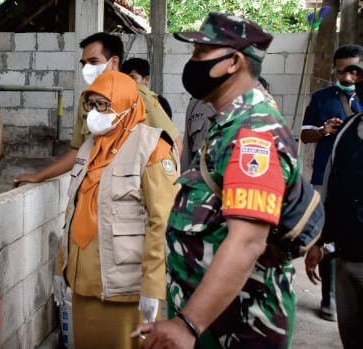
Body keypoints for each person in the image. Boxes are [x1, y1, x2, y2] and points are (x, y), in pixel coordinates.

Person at [132, 12, 314, 348]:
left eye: (200, 54)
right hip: (214, 320)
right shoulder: (229, 122)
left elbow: (247, 242)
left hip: (241, 328)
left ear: (234, 62)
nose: (192, 62)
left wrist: (188, 324)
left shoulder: (252, 132)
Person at [53, 71, 179, 348]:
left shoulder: (153, 147)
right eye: (91, 105)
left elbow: (162, 222)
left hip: (127, 287)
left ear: (127, 104)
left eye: (103, 105)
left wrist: (154, 286)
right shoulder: (89, 147)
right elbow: (72, 212)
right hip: (82, 281)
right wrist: (60, 268)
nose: (94, 113)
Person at [13, 33, 181, 187]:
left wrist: (154, 188)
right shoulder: (86, 100)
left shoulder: (138, 96)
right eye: (83, 63)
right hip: (94, 193)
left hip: (128, 197)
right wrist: (40, 176)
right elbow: (78, 150)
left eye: (93, 62)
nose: (87, 68)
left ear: (114, 62)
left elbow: (175, 145)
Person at [300, 44, 363, 321]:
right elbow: (304, 134)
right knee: (326, 236)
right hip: (326, 176)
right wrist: (323, 131)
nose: (347, 78)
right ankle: (329, 297)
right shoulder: (322, 97)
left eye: (353, 71)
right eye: (341, 72)